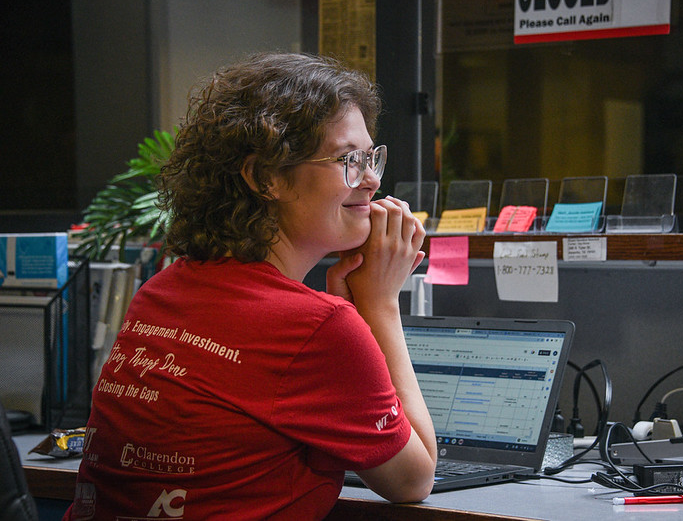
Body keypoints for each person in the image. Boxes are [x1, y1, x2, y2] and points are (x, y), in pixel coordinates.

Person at [64, 52, 437, 520]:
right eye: (349, 160)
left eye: (371, 157)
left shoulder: (162, 291)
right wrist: (379, 306)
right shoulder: (316, 327)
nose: (372, 180)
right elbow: (414, 479)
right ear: (266, 177)